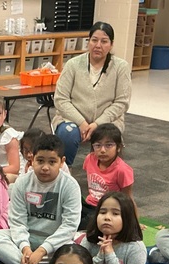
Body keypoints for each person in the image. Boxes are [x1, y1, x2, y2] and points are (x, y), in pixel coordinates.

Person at [0, 133, 80, 264]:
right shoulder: (22, 183)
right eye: (40, 161)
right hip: (28, 238)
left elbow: (70, 226)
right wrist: (25, 248)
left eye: (52, 162)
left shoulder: (70, 186)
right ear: (32, 159)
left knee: (74, 253)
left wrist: (42, 250)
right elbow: (17, 221)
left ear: (62, 162)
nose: (45, 167)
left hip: (56, 244)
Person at [52, 21, 132, 166]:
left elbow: (122, 102)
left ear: (111, 44)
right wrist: (81, 122)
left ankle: (105, 175)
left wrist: (97, 124)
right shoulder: (73, 64)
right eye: (94, 40)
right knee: (68, 133)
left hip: (107, 121)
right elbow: (60, 99)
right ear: (88, 42)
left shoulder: (121, 67)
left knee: (108, 140)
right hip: (73, 119)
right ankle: (64, 169)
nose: (98, 45)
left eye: (104, 41)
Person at [81, 123, 134, 230]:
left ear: (118, 147)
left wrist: (133, 222)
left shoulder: (122, 170)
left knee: (87, 223)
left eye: (108, 145)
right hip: (89, 204)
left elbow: (128, 198)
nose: (102, 150)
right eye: (97, 145)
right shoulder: (89, 159)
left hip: (108, 210)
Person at [79, 192, 146, 264]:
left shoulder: (136, 248)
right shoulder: (88, 240)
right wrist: (100, 256)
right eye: (103, 212)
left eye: (115, 214)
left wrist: (110, 255)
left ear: (127, 219)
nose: (107, 217)